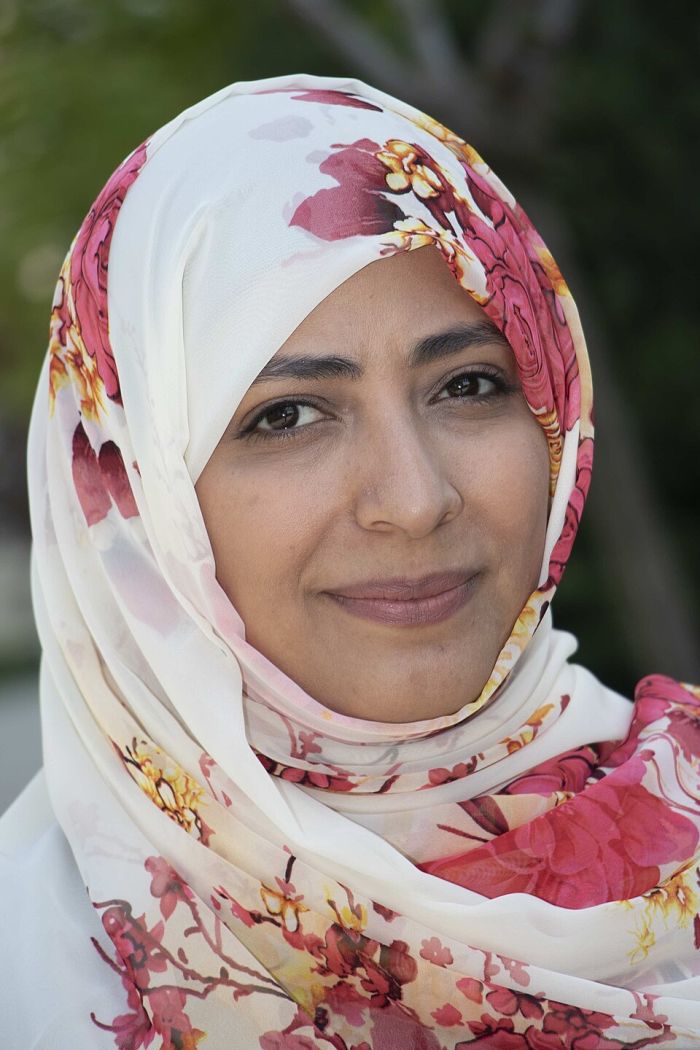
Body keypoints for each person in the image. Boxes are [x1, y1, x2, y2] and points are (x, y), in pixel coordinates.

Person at [1, 72, 699, 1048]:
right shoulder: (32, 969)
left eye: (467, 385)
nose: (413, 501)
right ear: (129, 496)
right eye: (286, 415)